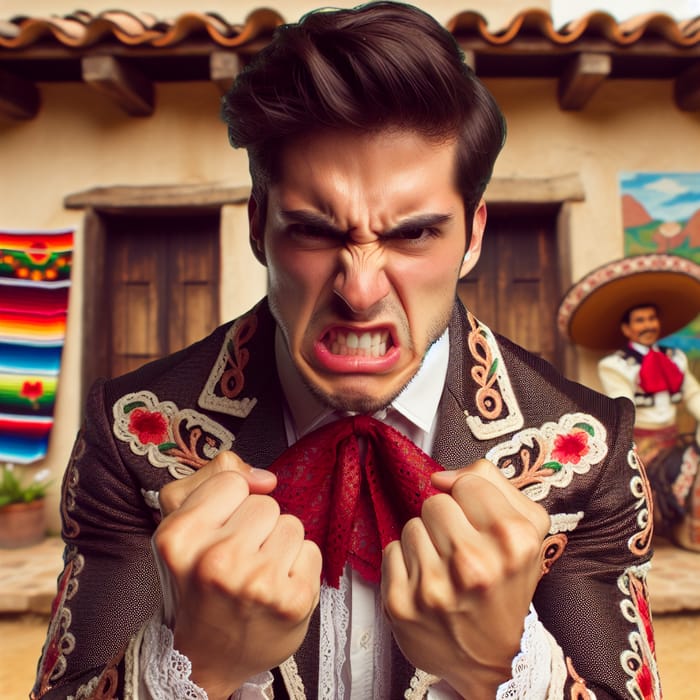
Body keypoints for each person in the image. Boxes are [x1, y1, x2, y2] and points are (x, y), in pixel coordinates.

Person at [33, 3, 659, 699]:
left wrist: (506, 670)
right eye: (314, 232)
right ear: (258, 227)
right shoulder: (130, 435)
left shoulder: (590, 449)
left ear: (474, 236)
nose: (360, 290)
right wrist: (188, 668)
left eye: (414, 235)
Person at [559, 253, 700, 553]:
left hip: (673, 436)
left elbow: (692, 394)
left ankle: (689, 529)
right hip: (642, 441)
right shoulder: (616, 365)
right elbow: (625, 408)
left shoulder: (675, 358)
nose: (648, 325)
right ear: (626, 329)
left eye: (651, 318)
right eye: (640, 320)